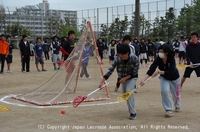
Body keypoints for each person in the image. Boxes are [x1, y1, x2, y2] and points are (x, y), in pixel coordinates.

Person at [98, 44, 139, 120]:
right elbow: (110, 70)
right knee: (125, 95)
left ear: (127, 53)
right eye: (119, 54)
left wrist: (125, 78)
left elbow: (135, 72)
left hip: (132, 78)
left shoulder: (135, 58)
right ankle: (131, 109)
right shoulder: (117, 59)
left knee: (129, 92)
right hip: (122, 78)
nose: (120, 56)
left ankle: (133, 112)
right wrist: (102, 82)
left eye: (122, 54)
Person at [140, 44, 181, 118]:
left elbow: (171, 71)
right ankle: (168, 109)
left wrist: (159, 72)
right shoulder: (158, 59)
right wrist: (143, 79)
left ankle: (177, 105)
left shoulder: (171, 59)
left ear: (166, 52)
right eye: (159, 51)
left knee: (176, 94)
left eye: (162, 52)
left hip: (174, 78)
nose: (160, 53)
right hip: (164, 78)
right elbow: (151, 69)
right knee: (164, 91)